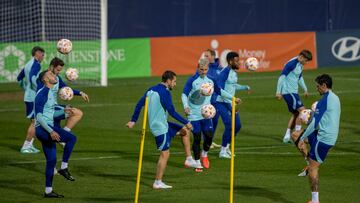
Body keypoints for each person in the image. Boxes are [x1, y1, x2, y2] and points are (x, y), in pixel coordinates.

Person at [126, 70, 193, 189]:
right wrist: (186, 121)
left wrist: (133, 120)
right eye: (174, 81)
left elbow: (139, 104)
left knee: (184, 132)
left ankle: (189, 159)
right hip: (160, 128)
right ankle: (157, 182)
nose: (175, 84)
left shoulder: (151, 89)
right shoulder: (165, 93)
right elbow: (172, 111)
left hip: (164, 124)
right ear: (168, 81)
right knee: (165, 154)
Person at [292, 74, 340, 203]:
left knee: (314, 169)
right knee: (295, 135)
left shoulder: (324, 101)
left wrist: (304, 137)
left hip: (324, 139)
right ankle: (309, 162)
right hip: (324, 134)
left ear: (324, 86)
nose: (317, 89)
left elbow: (314, 123)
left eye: (318, 86)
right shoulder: (335, 98)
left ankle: (315, 200)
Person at [181, 58, 235, 170]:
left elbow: (219, 91)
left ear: (208, 69)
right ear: (198, 68)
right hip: (193, 113)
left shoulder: (211, 79)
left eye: (205, 69)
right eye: (201, 69)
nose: (203, 72)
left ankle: (204, 154)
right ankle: (196, 162)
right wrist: (186, 106)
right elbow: (184, 94)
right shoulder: (192, 80)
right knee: (197, 137)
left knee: (209, 136)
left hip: (206, 112)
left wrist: (232, 98)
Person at [34, 70, 78, 198]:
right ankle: (64, 167)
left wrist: (64, 113)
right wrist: (51, 131)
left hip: (46, 128)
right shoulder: (42, 93)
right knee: (71, 138)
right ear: (45, 80)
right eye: (51, 75)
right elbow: (39, 117)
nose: (54, 76)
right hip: (44, 129)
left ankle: (48, 191)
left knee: (51, 161)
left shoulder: (50, 93)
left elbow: (50, 114)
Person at [276, 49, 313, 144]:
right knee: (303, 112)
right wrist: (278, 92)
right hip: (288, 92)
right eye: (306, 60)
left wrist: (305, 89)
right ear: (301, 57)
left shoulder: (300, 65)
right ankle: (298, 136)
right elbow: (282, 77)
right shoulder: (291, 64)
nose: (306, 63)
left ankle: (287, 136)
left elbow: (299, 77)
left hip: (293, 92)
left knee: (296, 114)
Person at [213, 52, 242, 158]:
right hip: (221, 102)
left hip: (230, 102)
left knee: (237, 126)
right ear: (230, 61)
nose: (239, 62)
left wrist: (244, 87)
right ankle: (222, 151)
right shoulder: (224, 73)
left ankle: (227, 147)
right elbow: (219, 90)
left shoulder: (234, 72)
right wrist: (233, 99)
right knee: (230, 126)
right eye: (236, 61)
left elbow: (233, 86)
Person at [17, 46, 45, 153]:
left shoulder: (28, 64)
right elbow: (33, 78)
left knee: (36, 121)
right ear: (37, 53)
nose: (43, 57)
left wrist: (25, 88)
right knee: (35, 122)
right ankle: (26, 146)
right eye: (42, 55)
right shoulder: (36, 64)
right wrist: (38, 89)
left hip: (29, 96)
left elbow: (19, 78)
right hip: (33, 97)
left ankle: (30, 144)